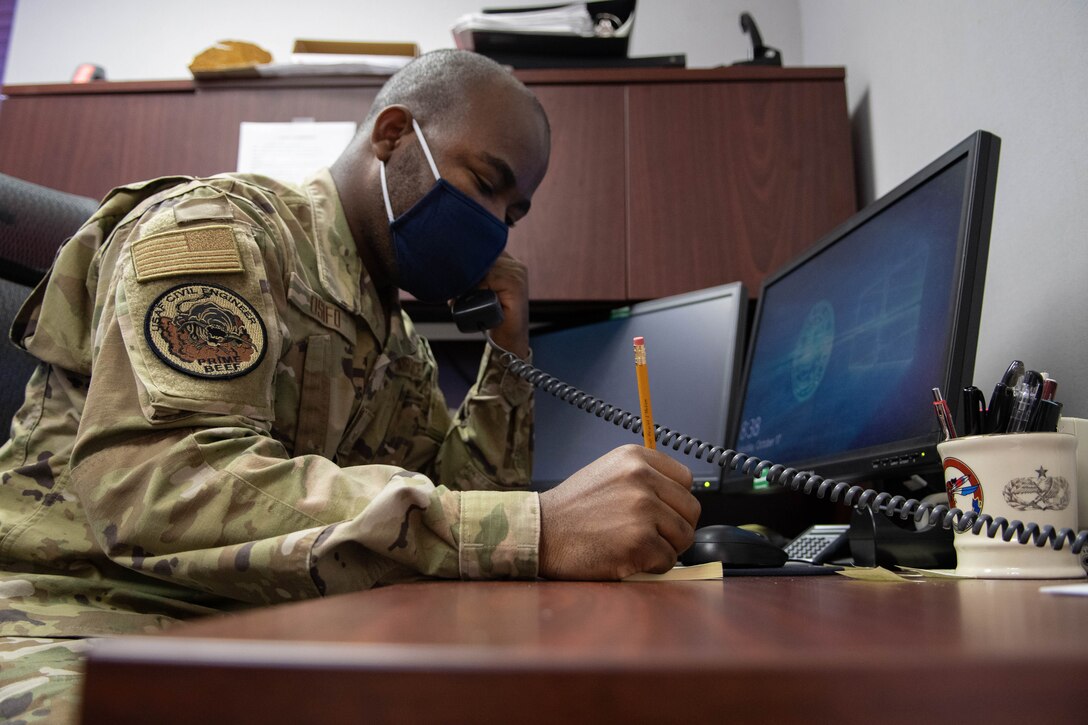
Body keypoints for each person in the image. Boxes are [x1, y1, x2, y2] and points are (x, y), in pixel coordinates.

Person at [0, 49, 699, 721]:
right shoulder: (220, 231)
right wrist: (537, 531)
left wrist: (506, 354)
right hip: (80, 619)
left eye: (513, 215)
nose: (495, 227)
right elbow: (167, 484)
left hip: (272, 625)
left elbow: (463, 498)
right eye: (487, 184)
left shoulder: (396, 342)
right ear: (394, 135)